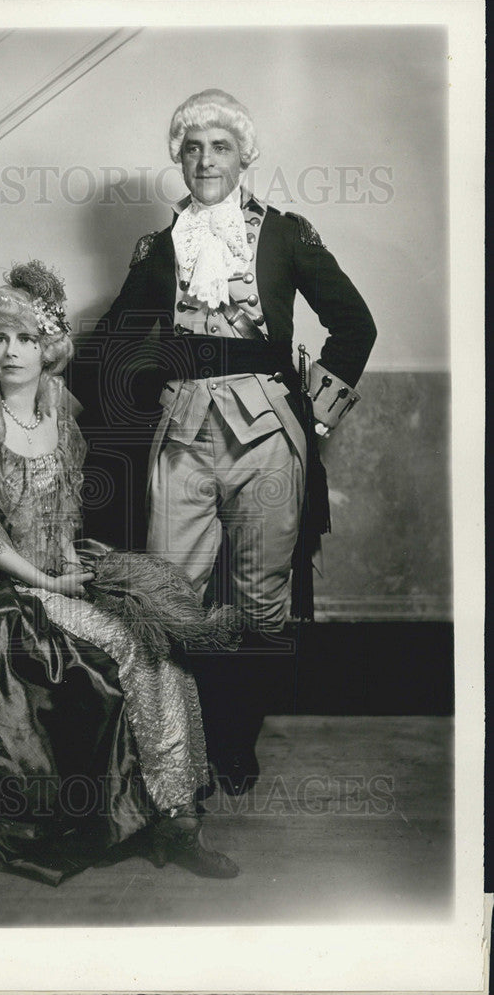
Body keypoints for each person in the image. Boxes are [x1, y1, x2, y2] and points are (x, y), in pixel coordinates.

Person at [70, 89, 377, 797]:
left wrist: (316, 416)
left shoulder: (289, 235)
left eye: (220, 147)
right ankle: (177, 748)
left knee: (258, 601)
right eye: (192, 146)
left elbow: (355, 326)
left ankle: (236, 744)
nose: (205, 159)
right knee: (168, 597)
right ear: (178, 156)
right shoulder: (160, 249)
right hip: (183, 435)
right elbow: (112, 342)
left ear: (245, 157)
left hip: (269, 436)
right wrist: (128, 391)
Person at [0, 260, 240, 886]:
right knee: (123, 648)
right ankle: (144, 819)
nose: (10, 352)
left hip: (55, 568)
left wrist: (74, 563)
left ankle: (178, 820)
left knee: (162, 648)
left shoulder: (59, 414)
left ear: (49, 350)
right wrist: (49, 582)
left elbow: (62, 512)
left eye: (26, 339)